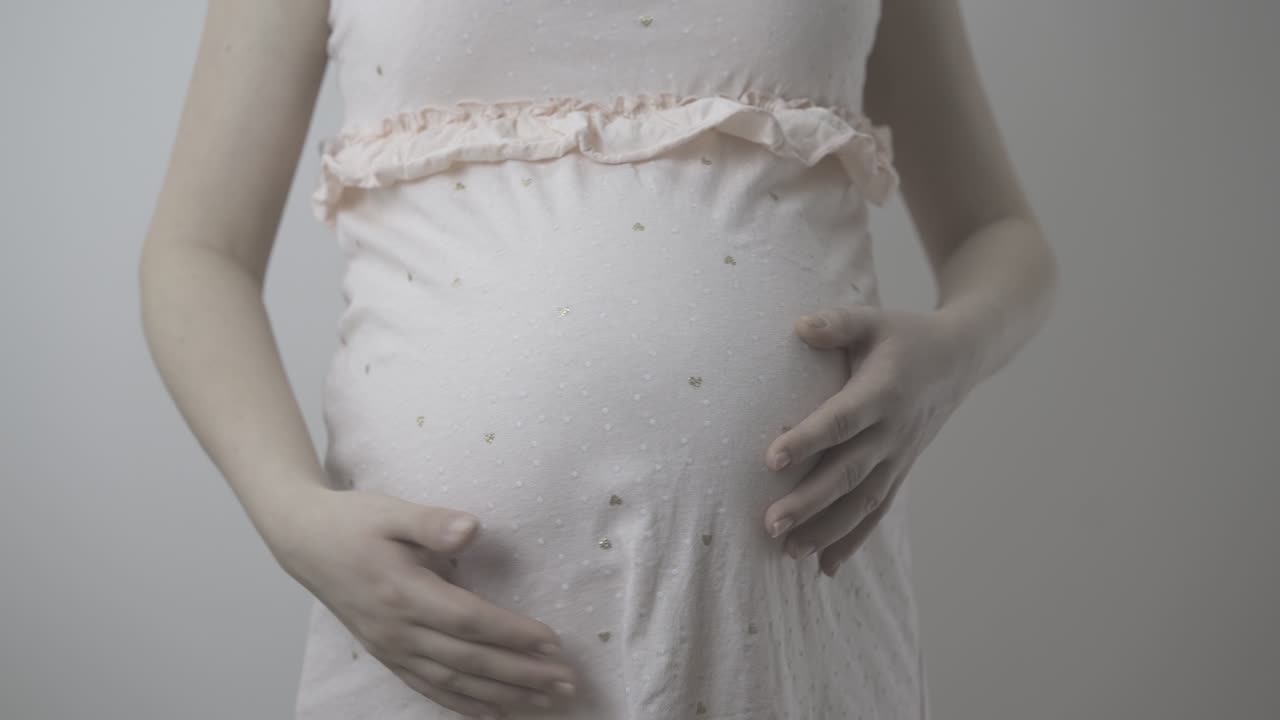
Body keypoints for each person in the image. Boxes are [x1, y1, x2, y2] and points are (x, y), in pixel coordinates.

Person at [139, 1, 1057, 718]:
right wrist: (289, 513)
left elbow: (998, 233)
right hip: (434, 637)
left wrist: (950, 355)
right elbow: (197, 252)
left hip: (783, 625)